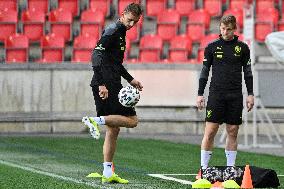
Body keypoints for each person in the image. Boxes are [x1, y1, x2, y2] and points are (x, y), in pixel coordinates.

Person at [82, 3, 143, 184]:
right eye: (130, 20)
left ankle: (107, 172)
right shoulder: (113, 30)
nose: (132, 24)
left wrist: (130, 79)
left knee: (113, 129)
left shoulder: (121, 32)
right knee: (133, 121)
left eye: (136, 22)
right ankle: (95, 120)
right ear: (123, 14)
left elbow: (115, 62)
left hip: (111, 83)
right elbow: (95, 55)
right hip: (106, 85)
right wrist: (101, 84)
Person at [196, 15, 254, 171]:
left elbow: (248, 72)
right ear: (220, 28)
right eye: (222, 29)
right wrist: (200, 94)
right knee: (210, 131)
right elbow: (204, 71)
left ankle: (230, 169)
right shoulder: (212, 47)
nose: (225, 32)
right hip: (216, 95)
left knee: (233, 131)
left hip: (235, 96)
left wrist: (250, 94)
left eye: (228, 29)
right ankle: (203, 168)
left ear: (234, 29)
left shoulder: (243, 48)